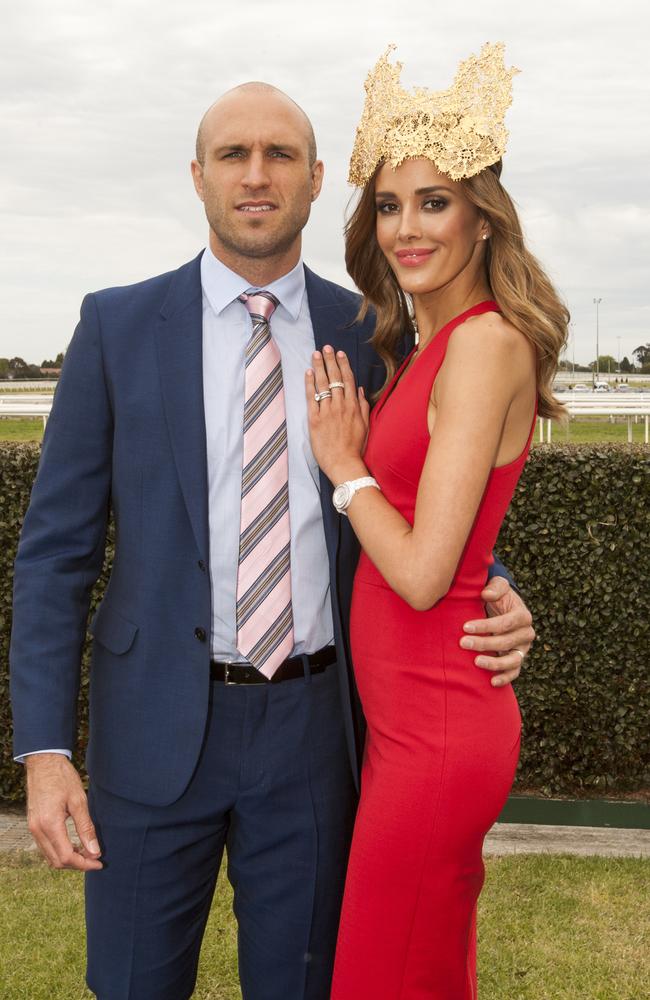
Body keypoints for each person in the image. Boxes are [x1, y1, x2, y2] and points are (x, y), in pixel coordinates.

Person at [10, 79, 535, 1000]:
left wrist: (493, 583)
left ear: (316, 176)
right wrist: (45, 749)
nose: (257, 176)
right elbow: (55, 555)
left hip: (315, 734)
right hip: (150, 733)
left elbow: (430, 483)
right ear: (199, 177)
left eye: (281, 155)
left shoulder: (372, 332)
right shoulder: (117, 326)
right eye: (233, 155)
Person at [305, 44, 568, 999]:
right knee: (419, 970)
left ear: (482, 214)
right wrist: (503, 588)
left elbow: (421, 572)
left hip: (440, 728)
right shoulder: (421, 347)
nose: (407, 229)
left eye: (433, 201)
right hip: (411, 721)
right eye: (387, 206)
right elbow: (463, 537)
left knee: (381, 974)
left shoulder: (488, 343)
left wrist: (345, 468)